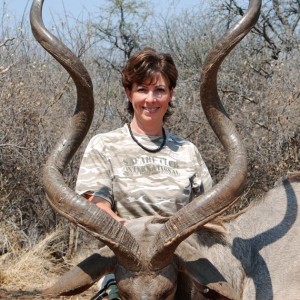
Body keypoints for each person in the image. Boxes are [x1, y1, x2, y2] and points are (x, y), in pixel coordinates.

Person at [75, 47, 213, 299]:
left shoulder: (187, 151)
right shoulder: (105, 145)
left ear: (171, 94)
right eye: (142, 89)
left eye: (159, 90)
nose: (151, 99)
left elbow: (206, 211)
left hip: (180, 262)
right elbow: (94, 203)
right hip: (128, 266)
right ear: (129, 93)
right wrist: (130, 236)